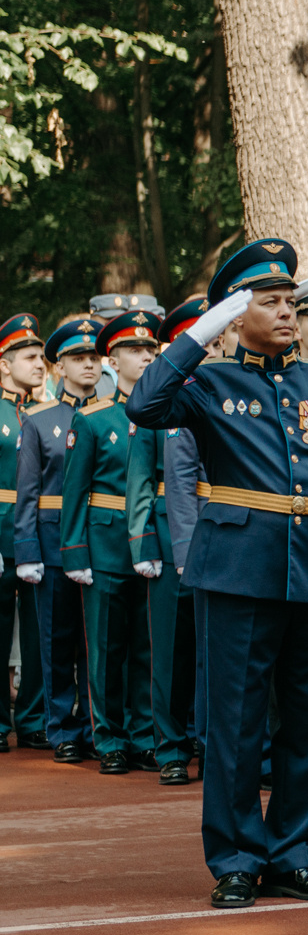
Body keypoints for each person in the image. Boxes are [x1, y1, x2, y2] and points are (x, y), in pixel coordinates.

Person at [126, 239, 308, 908]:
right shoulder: (209, 383)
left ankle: (295, 855)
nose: (288, 312)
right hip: (237, 571)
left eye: (291, 300)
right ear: (238, 314)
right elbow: (145, 405)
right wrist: (198, 335)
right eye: (270, 302)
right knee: (233, 724)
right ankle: (236, 857)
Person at [62, 307, 165, 773]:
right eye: (133, 349)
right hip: (105, 545)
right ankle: (109, 739)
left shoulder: (165, 411)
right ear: (111, 360)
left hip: (153, 545)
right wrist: (74, 552)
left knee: (147, 646)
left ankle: (144, 734)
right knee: (105, 648)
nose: (144, 356)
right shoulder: (93, 419)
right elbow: (74, 491)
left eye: (149, 348)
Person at [16, 314, 105, 763]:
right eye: (77, 357)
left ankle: (97, 725)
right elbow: (27, 493)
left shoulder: (113, 416)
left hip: (101, 541)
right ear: (59, 368)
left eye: (93, 356)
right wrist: (26, 550)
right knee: (56, 638)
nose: (88, 364)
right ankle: (61, 727)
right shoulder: (39, 420)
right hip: (51, 544)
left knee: (100, 643)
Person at [129, 297, 206, 784]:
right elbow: (140, 481)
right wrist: (144, 545)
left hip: (218, 527)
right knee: (172, 650)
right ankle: (170, 746)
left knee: (210, 648)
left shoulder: (219, 388)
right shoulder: (161, 400)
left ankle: (202, 737)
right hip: (167, 531)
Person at [0, 313, 47, 749]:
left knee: (36, 631)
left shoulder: (40, 412)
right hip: (0, 533)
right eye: (30, 357)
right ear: (4, 363)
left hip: (33, 534)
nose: (39, 364)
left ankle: (32, 718)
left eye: (41, 358)